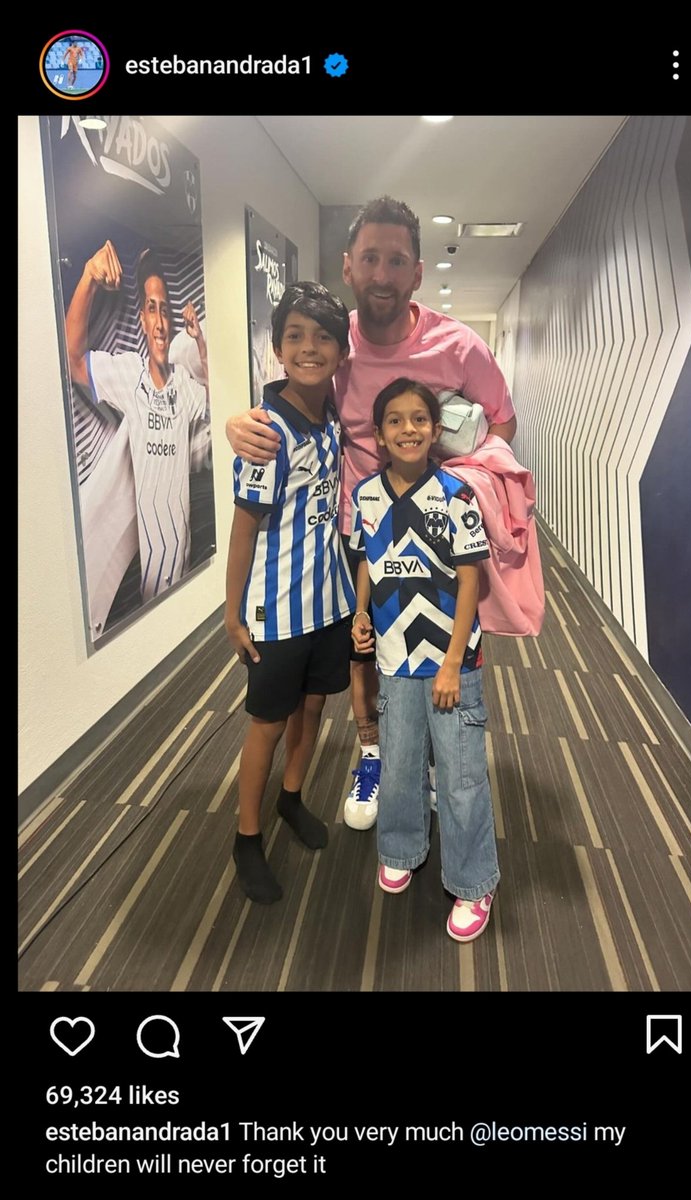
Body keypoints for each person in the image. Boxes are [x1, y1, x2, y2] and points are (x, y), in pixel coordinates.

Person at [226, 196, 517, 832]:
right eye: (370, 259)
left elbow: (503, 420)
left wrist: (459, 480)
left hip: (439, 543)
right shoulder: (334, 343)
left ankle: (439, 765)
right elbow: (292, 397)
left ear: (416, 272)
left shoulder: (459, 345)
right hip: (358, 531)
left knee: (442, 653)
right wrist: (239, 421)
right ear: (348, 267)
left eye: (396, 260)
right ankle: (374, 754)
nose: (382, 273)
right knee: (368, 655)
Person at [350, 379, 500, 941]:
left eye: (419, 419)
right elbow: (368, 557)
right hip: (393, 659)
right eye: (394, 420)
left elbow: (469, 579)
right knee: (402, 764)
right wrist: (361, 613)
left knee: (460, 778)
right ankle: (401, 846)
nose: (407, 429)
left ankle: (473, 879)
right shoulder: (366, 494)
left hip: (449, 665)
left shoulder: (455, 495)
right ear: (380, 432)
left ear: (436, 431)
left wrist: (452, 661)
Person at [226, 282, 356, 904]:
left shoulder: (331, 420)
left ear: (341, 349)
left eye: (323, 336)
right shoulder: (265, 431)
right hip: (277, 611)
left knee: (313, 709)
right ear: (277, 349)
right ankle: (246, 837)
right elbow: (244, 525)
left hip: (329, 602)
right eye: (296, 336)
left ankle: (292, 798)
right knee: (267, 725)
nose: (310, 348)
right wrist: (231, 613)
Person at [66, 241, 209, 610]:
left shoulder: (186, 387)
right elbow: (73, 360)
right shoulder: (128, 376)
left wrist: (201, 343)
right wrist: (88, 278)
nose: (160, 322)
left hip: (187, 576)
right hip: (149, 591)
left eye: (164, 311)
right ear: (142, 320)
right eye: (151, 310)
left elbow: (220, 394)